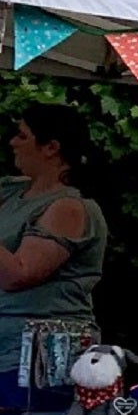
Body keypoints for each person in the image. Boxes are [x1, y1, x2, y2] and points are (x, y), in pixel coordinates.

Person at [0, 106, 110, 378]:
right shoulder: (13, 192)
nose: (12, 142)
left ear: (51, 147)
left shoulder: (69, 207)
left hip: (38, 360)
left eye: (22, 136)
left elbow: (18, 274)